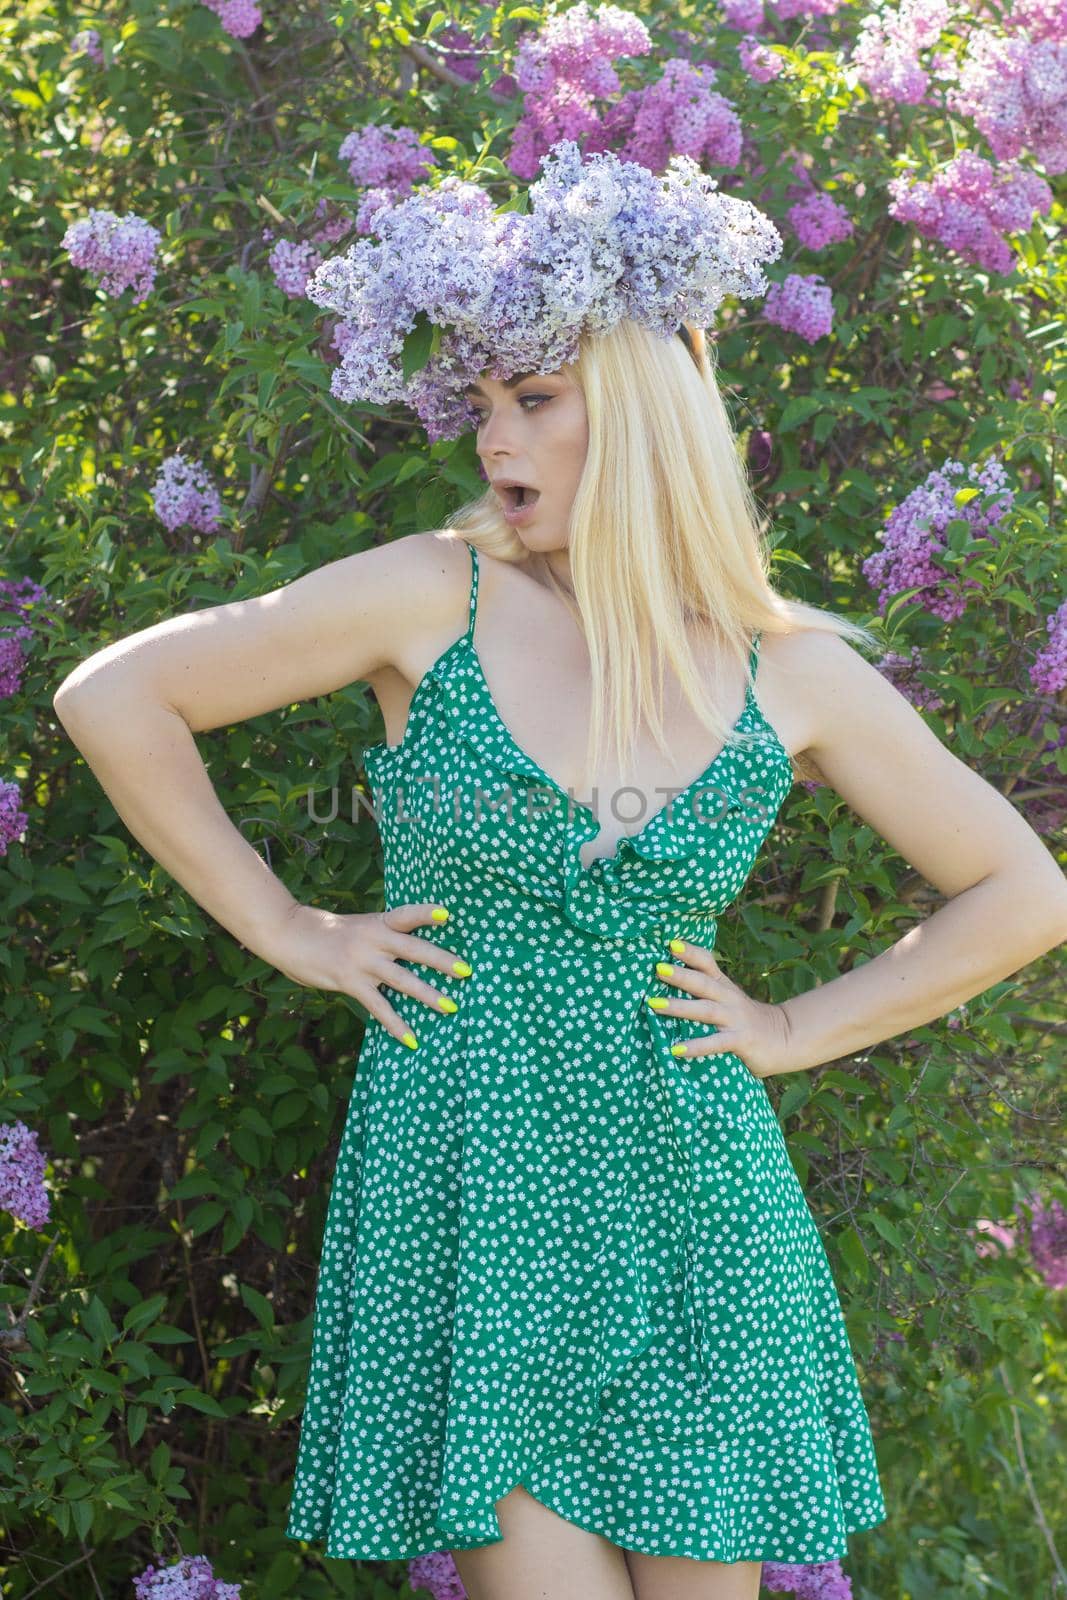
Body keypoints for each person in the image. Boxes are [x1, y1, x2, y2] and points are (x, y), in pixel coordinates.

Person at [52, 144, 1067, 1600]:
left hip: (696, 1214)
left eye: (533, 400)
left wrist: (791, 1031)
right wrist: (292, 926)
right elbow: (111, 698)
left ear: (645, 418)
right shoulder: (432, 596)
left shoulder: (794, 673)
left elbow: (1027, 894)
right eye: (481, 405)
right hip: (480, 1201)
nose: (491, 439)